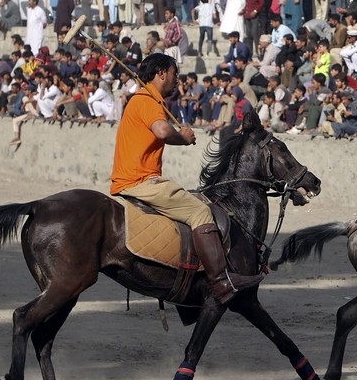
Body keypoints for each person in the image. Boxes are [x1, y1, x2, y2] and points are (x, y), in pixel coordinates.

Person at [110, 53, 262, 304]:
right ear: (161, 73)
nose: (176, 80)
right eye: (174, 74)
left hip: (135, 179)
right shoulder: (147, 99)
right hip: (139, 182)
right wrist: (183, 137)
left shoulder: (147, 99)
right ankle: (221, 281)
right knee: (201, 212)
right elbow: (161, 130)